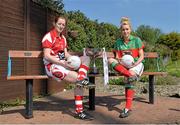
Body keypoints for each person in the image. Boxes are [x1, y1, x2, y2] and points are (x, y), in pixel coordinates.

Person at [41, 15, 94, 120]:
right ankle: (79, 110)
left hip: (63, 64)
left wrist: (73, 60)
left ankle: (82, 79)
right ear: (54, 24)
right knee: (78, 79)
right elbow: (47, 55)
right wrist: (63, 64)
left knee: (85, 58)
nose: (61, 26)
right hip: (52, 66)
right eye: (59, 24)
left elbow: (65, 54)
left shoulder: (63, 38)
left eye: (63, 25)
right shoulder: (48, 37)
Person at [108, 17, 144, 118]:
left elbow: (141, 56)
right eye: (123, 29)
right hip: (124, 66)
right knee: (110, 60)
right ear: (121, 31)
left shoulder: (136, 40)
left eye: (127, 29)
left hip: (136, 64)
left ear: (130, 30)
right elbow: (116, 57)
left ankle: (127, 108)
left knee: (129, 78)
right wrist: (120, 61)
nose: (125, 31)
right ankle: (130, 75)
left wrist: (135, 64)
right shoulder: (118, 42)